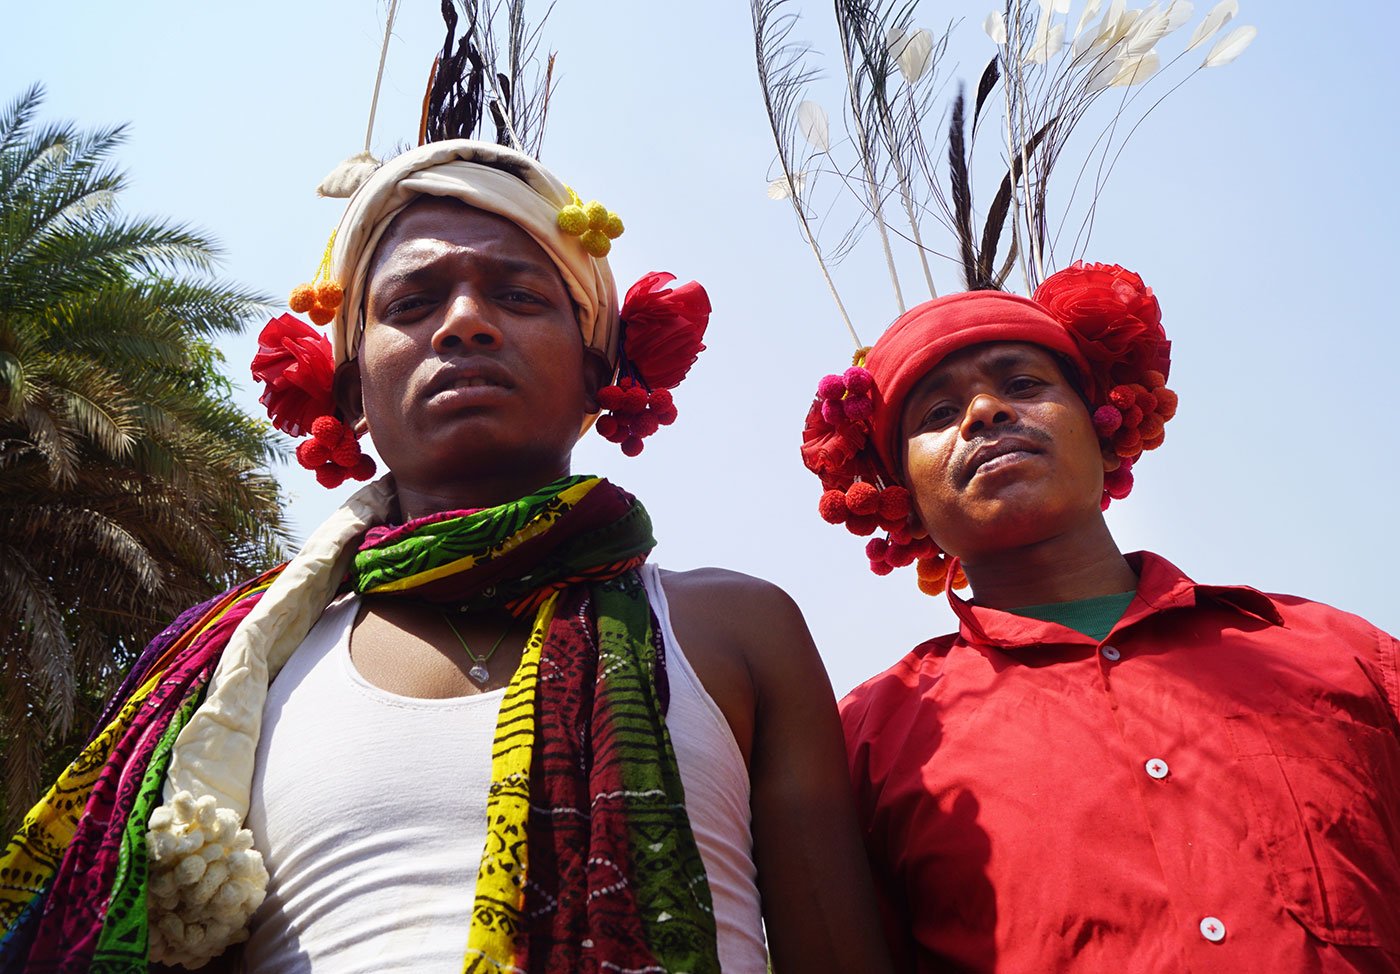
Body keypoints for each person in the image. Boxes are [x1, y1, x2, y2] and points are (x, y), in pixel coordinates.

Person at [0, 132, 890, 971]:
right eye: (413, 304)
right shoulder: (231, 670)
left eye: (519, 295)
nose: (465, 323)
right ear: (349, 384)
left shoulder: (734, 627)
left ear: (598, 368)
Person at [799, 265, 1400, 971]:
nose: (985, 413)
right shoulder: (869, 744)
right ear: (899, 493)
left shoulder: (1342, 655)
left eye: (1023, 384)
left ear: (1105, 419)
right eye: (935, 415)